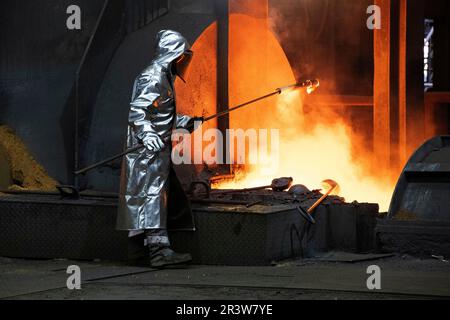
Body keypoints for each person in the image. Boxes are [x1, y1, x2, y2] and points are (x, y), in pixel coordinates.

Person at [117, 30, 202, 268]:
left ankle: (137, 252)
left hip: (155, 152)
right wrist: (147, 135)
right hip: (147, 152)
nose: (182, 61)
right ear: (172, 54)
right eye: (181, 56)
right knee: (151, 198)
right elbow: (138, 111)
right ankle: (159, 252)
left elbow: (161, 115)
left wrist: (187, 122)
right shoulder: (152, 77)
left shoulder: (164, 78)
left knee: (148, 199)